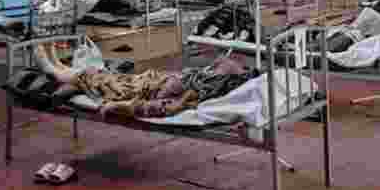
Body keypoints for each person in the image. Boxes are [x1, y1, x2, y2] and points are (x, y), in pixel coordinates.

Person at [31, 41, 252, 119]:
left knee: (96, 77)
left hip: (145, 90)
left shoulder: (201, 90)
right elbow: (222, 64)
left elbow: (165, 107)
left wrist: (119, 106)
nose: (215, 64)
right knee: (103, 73)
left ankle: (56, 71)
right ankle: (61, 68)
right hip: (152, 79)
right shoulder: (218, 76)